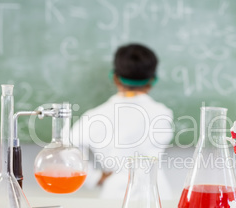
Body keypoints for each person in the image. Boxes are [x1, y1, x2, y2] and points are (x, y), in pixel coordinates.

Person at [71, 43, 174, 199]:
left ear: (115, 77)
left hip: (116, 193)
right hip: (156, 193)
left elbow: (67, 150)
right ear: (153, 80)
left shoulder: (94, 116)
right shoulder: (163, 114)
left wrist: (94, 178)